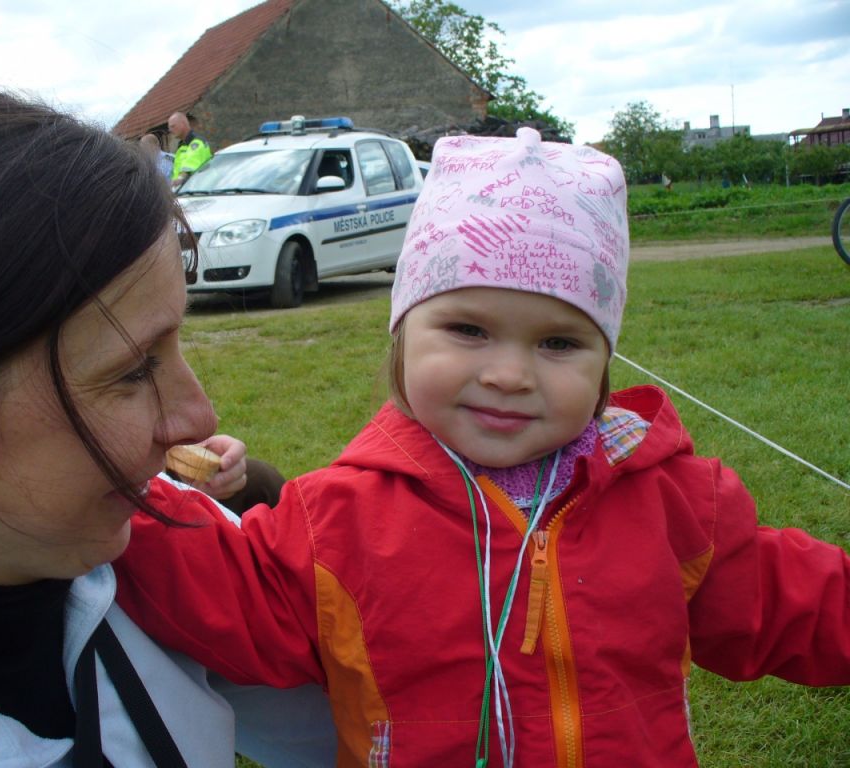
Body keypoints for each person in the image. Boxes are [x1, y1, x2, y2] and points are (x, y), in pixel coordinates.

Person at [114, 129, 850, 767]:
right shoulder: (336, 518)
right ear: (403, 336)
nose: (508, 375)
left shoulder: (674, 499)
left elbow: (791, 605)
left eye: (558, 343)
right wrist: (113, 484)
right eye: (468, 330)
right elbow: (227, 594)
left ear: (605, 361)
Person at [0, 81, 335, 767]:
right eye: (131, 370)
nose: (198, 417)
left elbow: (380, 723)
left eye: (175, 345)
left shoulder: (169, 547)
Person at [167, 111, 212, 188]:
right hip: (184, 190)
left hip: (198, 188)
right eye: (169, 127)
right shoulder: (182, 146)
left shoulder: (197, 142)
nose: (170, 130)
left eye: (173, 126)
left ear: (183, 124)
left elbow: (190, 164)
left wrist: (180, 178)